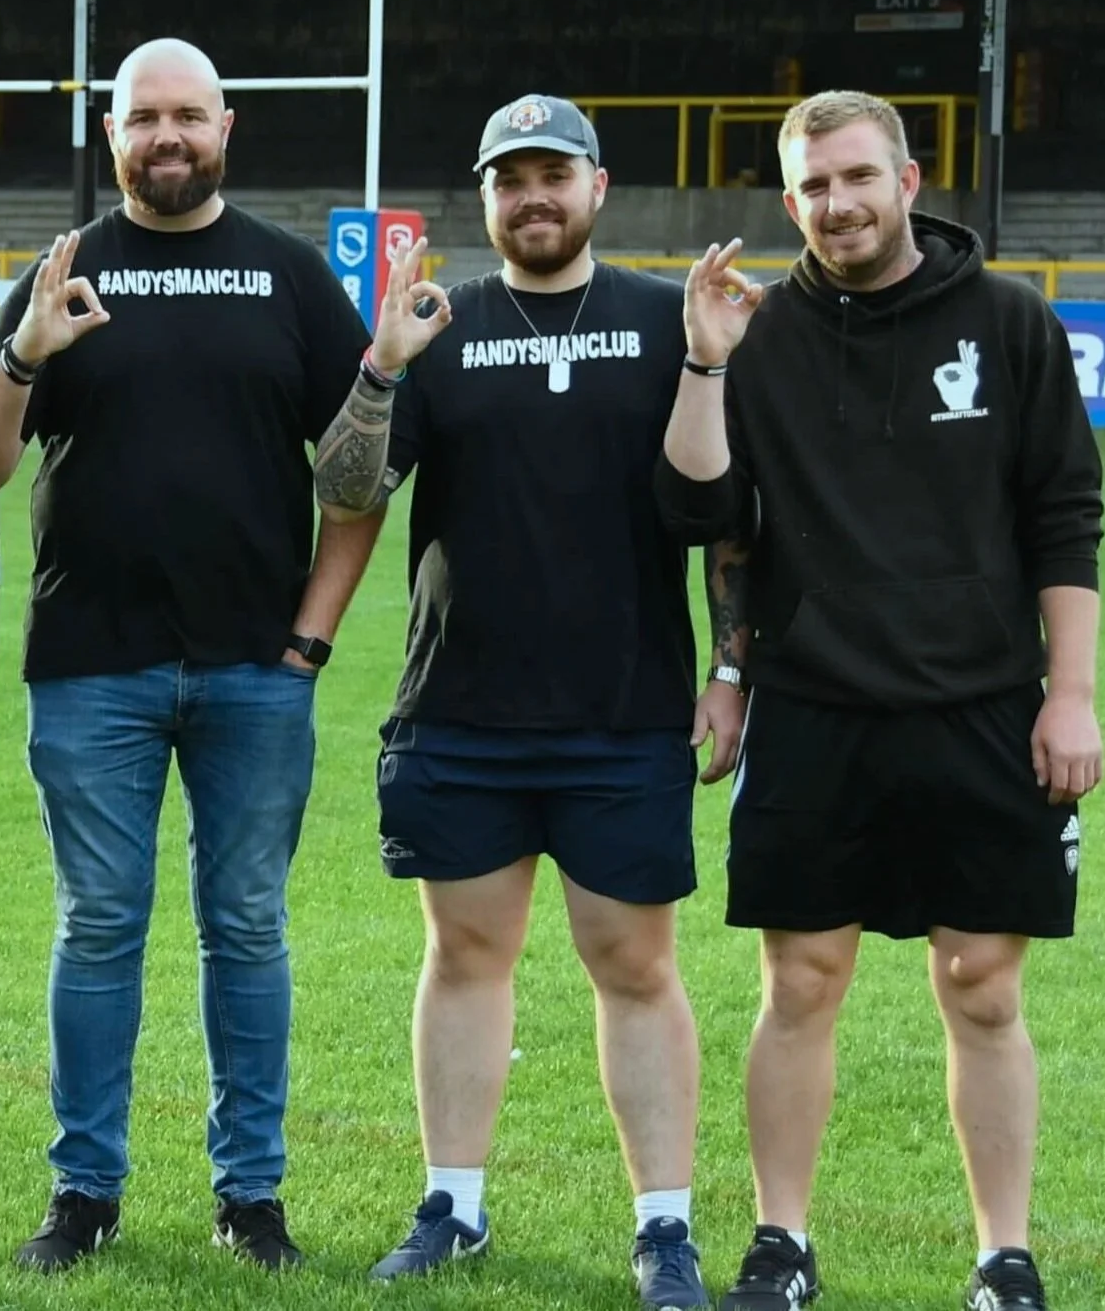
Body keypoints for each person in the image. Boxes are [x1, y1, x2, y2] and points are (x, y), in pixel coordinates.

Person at [0, 36, 384, 1273]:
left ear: (226, 126)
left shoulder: (289, 277)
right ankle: (84, 1192)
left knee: (244, 925)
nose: (168, 135)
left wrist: (312, 635)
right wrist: (28, 350)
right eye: (146, 117)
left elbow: (360, 476)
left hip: (256, 670)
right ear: (110, 131)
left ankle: (252, 1195)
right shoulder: (61, 272)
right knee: (98, 926)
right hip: (91, 665)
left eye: (189, 114)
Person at [654, 90, 1105, 1311]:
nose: (836, 204)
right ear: (788, 199)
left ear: (908, 182)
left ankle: (1002, 1256)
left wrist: (1071, 694)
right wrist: (733, 667)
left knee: (983, 984)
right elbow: (714, 524)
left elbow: (1064, 518)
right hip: (814, 710)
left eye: (857, 177)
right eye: (811, 187)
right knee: (799, 981)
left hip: (982, 706)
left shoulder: (1009, 324)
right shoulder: (761, 337)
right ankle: (780, 1243)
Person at [311, 94, 747, 1309]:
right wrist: (381, 363)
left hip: (625, 709)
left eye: (554, 174)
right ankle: (451, 1202)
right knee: (463, 955)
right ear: (487, 198)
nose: (533, 197)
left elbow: (725, 521)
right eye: (510, 179)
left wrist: (730, 669)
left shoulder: (670, 318)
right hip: (459, 707)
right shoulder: (438, 325)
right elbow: (348, 489)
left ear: (598, 188)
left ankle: (664, 1227)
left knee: (636, 964)